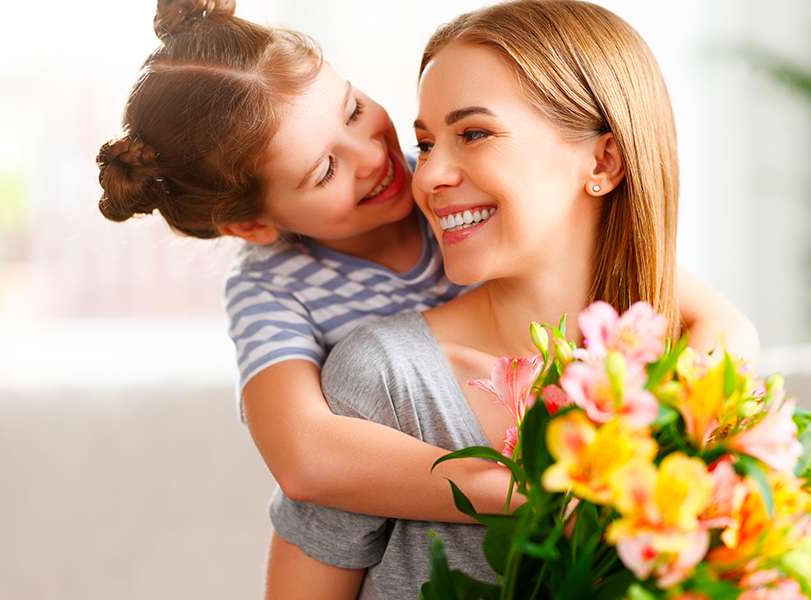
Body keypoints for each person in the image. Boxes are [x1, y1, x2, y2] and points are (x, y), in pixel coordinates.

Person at [95, 0, 758, 583]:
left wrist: (661, 454)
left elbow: (712, 318)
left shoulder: (444, 185)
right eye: (325, 167)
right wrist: (535, 488)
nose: (390, 162)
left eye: (354, 109)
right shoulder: (284, 295)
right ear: (252, 225)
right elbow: (305, 456)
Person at [265, 1, 716, 598]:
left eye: (473, 134)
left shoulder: (701, 373)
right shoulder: (387, 381)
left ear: (604, 160)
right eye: (426, 144)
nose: (427, 178)